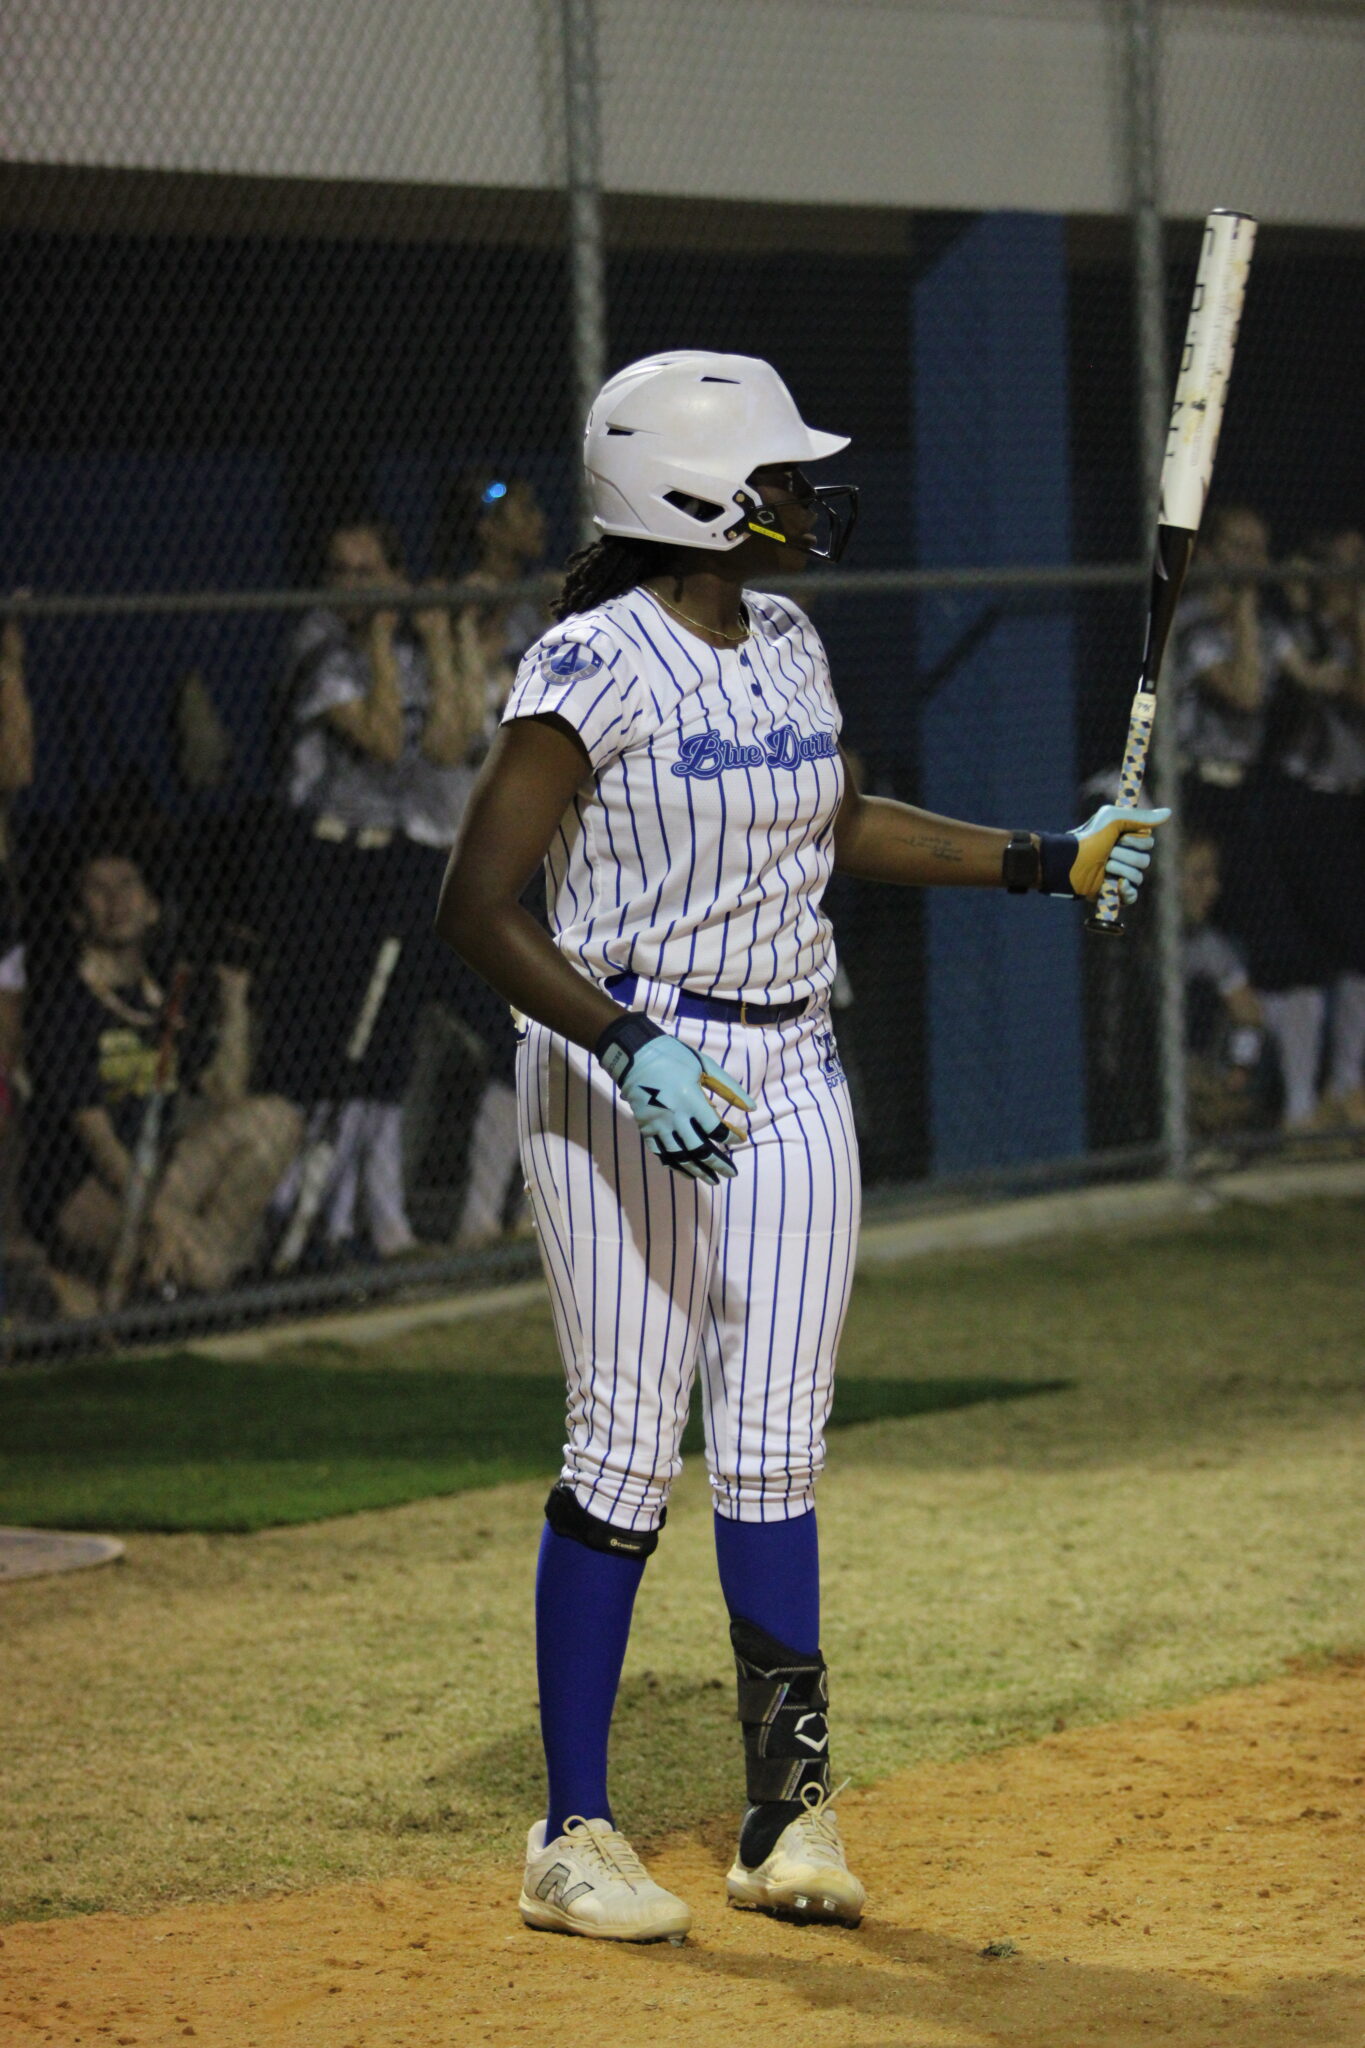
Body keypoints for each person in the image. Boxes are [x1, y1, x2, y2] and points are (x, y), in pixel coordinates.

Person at [436, 349, 1167, 1944]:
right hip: (618, 1068)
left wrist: (1048, 859)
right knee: (624, 1442)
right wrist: (629, 1047)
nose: (795, 499)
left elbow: (837, 826)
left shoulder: (784, 638)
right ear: (691, 496)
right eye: (770, 477)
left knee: (773, 1441)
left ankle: (785, 1814)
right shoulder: (591, 664)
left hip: (791, 1066)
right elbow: (475, 905)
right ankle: (570, 1833)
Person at [270, 517, 485, 1258]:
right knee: (332, 1042)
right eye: (343, 572)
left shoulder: (400, 649)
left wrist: (435, 637)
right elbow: (387, 741)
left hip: (389, 861)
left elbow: (452, 742)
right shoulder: (319, 644)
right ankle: (306, 1219)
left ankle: (373, 1221)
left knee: (384, 1041)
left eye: (371, 572)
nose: (355, 588)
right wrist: (379, 642)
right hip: (320, 861)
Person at [27, 850, 301, 1298]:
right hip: (85, 1186)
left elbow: (226, 1096)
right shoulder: (67, 1006)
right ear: (77, 917)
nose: (116, 900)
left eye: (128, 885)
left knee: (276, 1120)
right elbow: (96, 1139)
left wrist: (234, 1002)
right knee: (198, 1264)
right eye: (99, 889)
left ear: (153, 908)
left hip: (159, 1169)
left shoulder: (161, 998)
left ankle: (185, 1268)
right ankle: (190, 1274)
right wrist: (158, 1214)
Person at [1261, 530, 1365, 1128]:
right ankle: (1315, 1098)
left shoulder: (1347, 628)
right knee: (1319, 946)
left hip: (1351, 806)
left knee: (1344, 947)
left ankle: (1342, 1087)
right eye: (1343, 566)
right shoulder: (1297, 630)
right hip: (1305, 802)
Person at [1179, 830, 1269, 1136]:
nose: (1213, 888)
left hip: (1198, 1069)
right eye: (1199, 876)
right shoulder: (1128, 942)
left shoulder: (1210, 945)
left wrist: (1240, 1069)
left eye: (1214, 876)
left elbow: (1249, 1016)